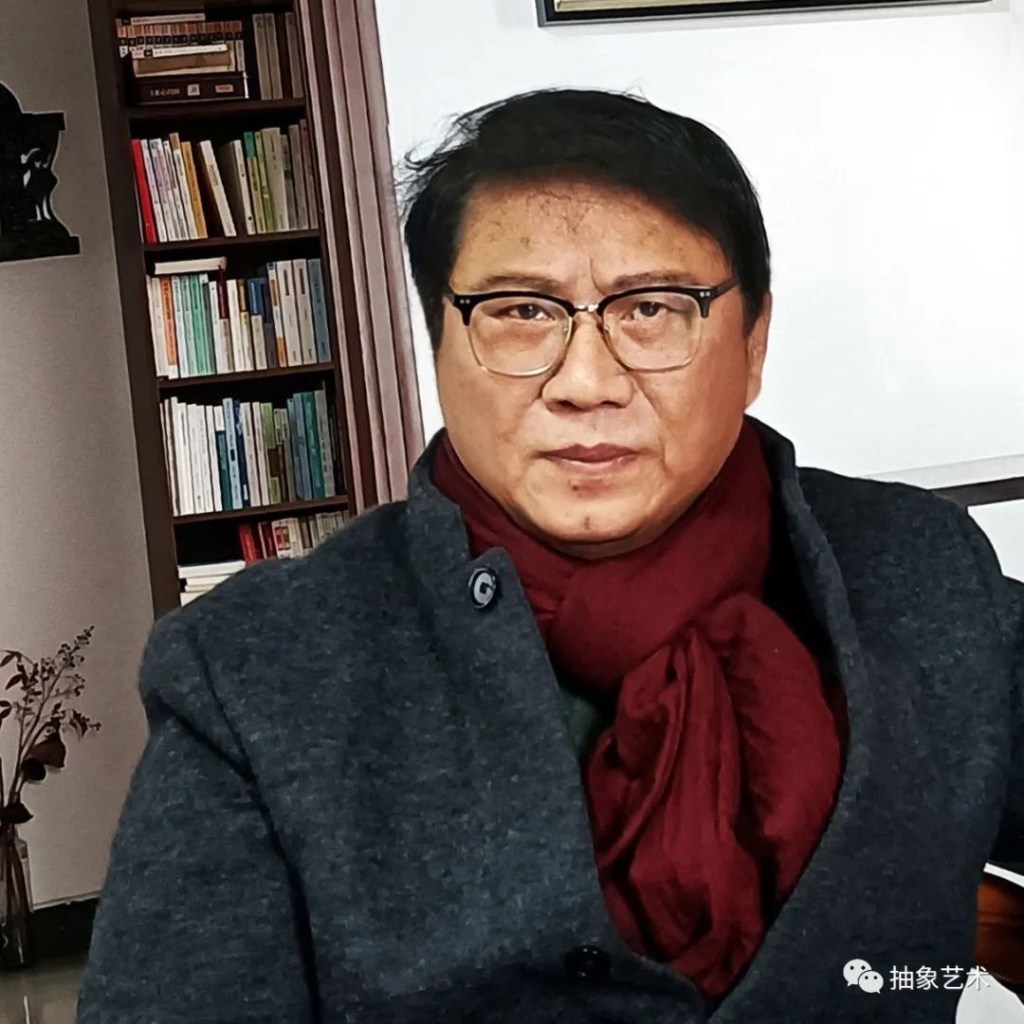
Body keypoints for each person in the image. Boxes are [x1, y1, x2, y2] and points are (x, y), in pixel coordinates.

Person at [77, 89, 1023, 1023]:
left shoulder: (922, 572)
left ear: (753, 341)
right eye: (521, 311)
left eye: (652, 308)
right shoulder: (257, 671)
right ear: (438, 343)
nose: (586, 381)